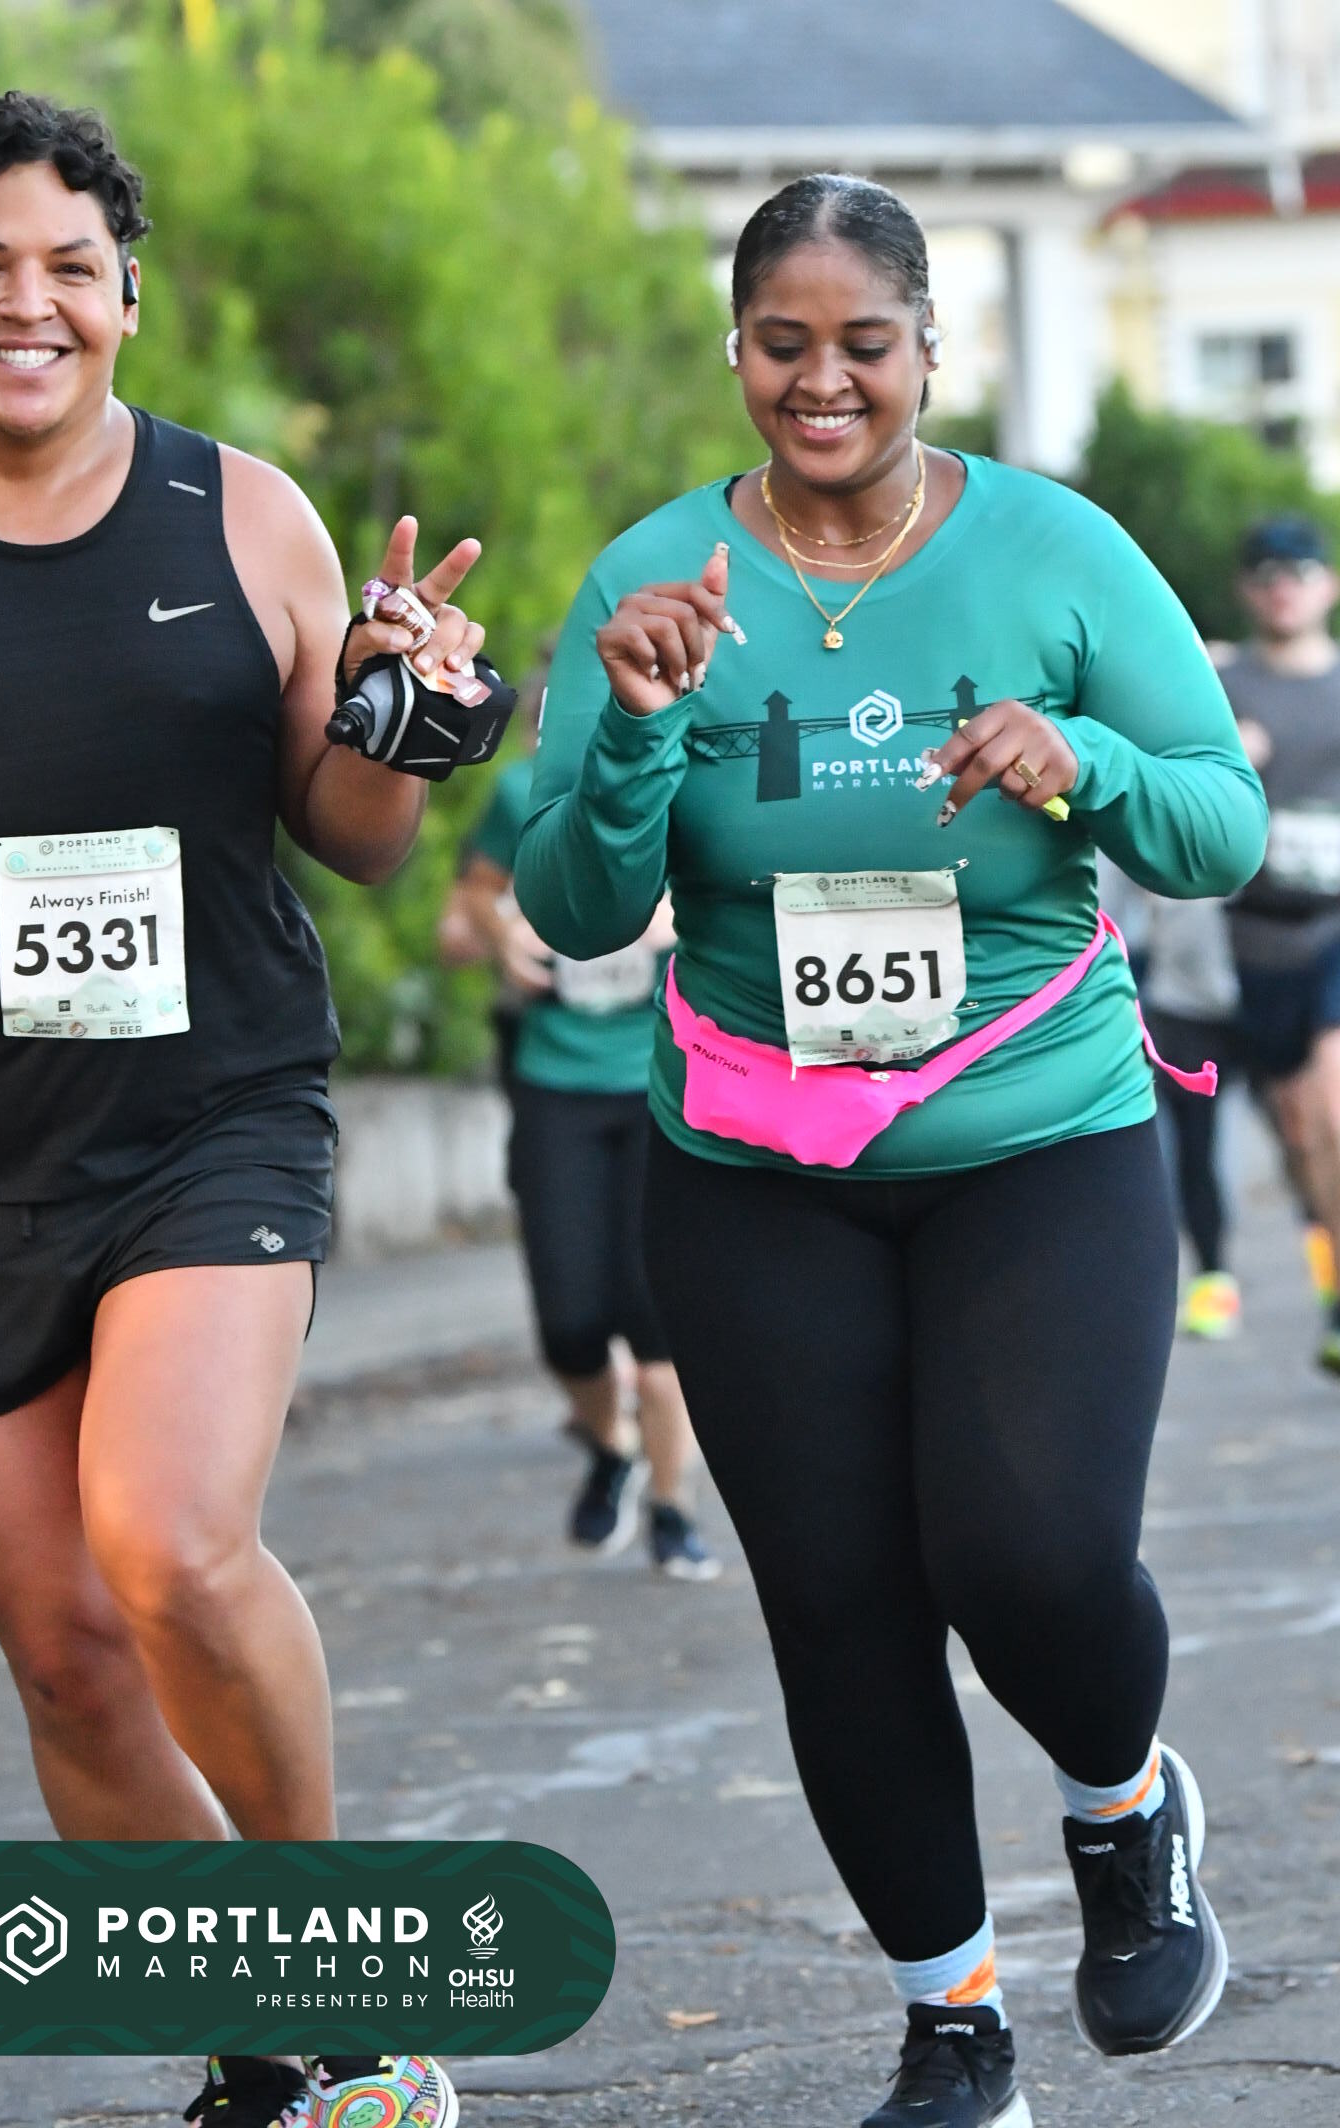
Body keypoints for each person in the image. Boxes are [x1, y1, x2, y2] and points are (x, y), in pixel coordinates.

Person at [515, 172, 1266, 2126]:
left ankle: (1121, 1800)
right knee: (838, 1601)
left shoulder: (1054, 549)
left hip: (1032, 1131)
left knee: (1028, 1553)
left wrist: (1081, 761)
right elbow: (574, 902)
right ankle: (953, 2026)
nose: (822, 379)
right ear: (736, 351)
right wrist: (636, 728)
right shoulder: (653, 575)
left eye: (863, 342)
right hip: (753, 1164)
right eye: (782, 343)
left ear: (929, 349)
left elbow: (1217, 828)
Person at [0, 92, 505, 2128]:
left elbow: (350, 830)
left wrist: (404, 719)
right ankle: (263, 2044)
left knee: (164, 1541)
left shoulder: (239, 514)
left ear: (128, 298)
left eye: (71, 267)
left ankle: (344, 1980)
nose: (29, 302)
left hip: (211, 1115)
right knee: (66, 1654)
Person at [452, 733, 721, 1580]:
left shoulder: (695, 776)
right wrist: (503, 934)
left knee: (658, 1325)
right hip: (556, 1082)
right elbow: (471, 900)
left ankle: (673, 1508)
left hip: (666, 1077)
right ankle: (612, 1446)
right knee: (569, 1323)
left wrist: (680, 917)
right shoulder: (523, 790)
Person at [1221, 516, 1340, 1370]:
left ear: (1327, 585)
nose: (1283, 587)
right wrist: (1225, 757)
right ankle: (1328, 1278)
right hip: (1248, 940)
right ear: (1246, 590)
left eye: (1298, 572)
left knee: (1333, 1108)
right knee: (1299, 1139)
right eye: (1266, 574)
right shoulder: (1220, 688)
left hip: (1334, 930)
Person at [1136, 892, 1244, 1337]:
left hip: (1265, 994)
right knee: (1193, 1152)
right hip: (1179, 1014)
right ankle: (1213, 1278)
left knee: (1305, 1139)